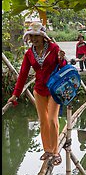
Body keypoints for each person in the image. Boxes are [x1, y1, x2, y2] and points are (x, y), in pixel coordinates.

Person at [7, 22, 67, 165]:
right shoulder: (29, 53)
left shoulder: (53, 48)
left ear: (43, 37)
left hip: (54, 89)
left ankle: (55, 152)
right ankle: (47, 150)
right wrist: (15, 94)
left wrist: (61, 59)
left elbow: (62, 67)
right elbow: (22, 75)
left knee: (52, 120)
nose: (34, 39)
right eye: (32, 36)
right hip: (39, 90)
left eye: (37, 36)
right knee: (43, 121)